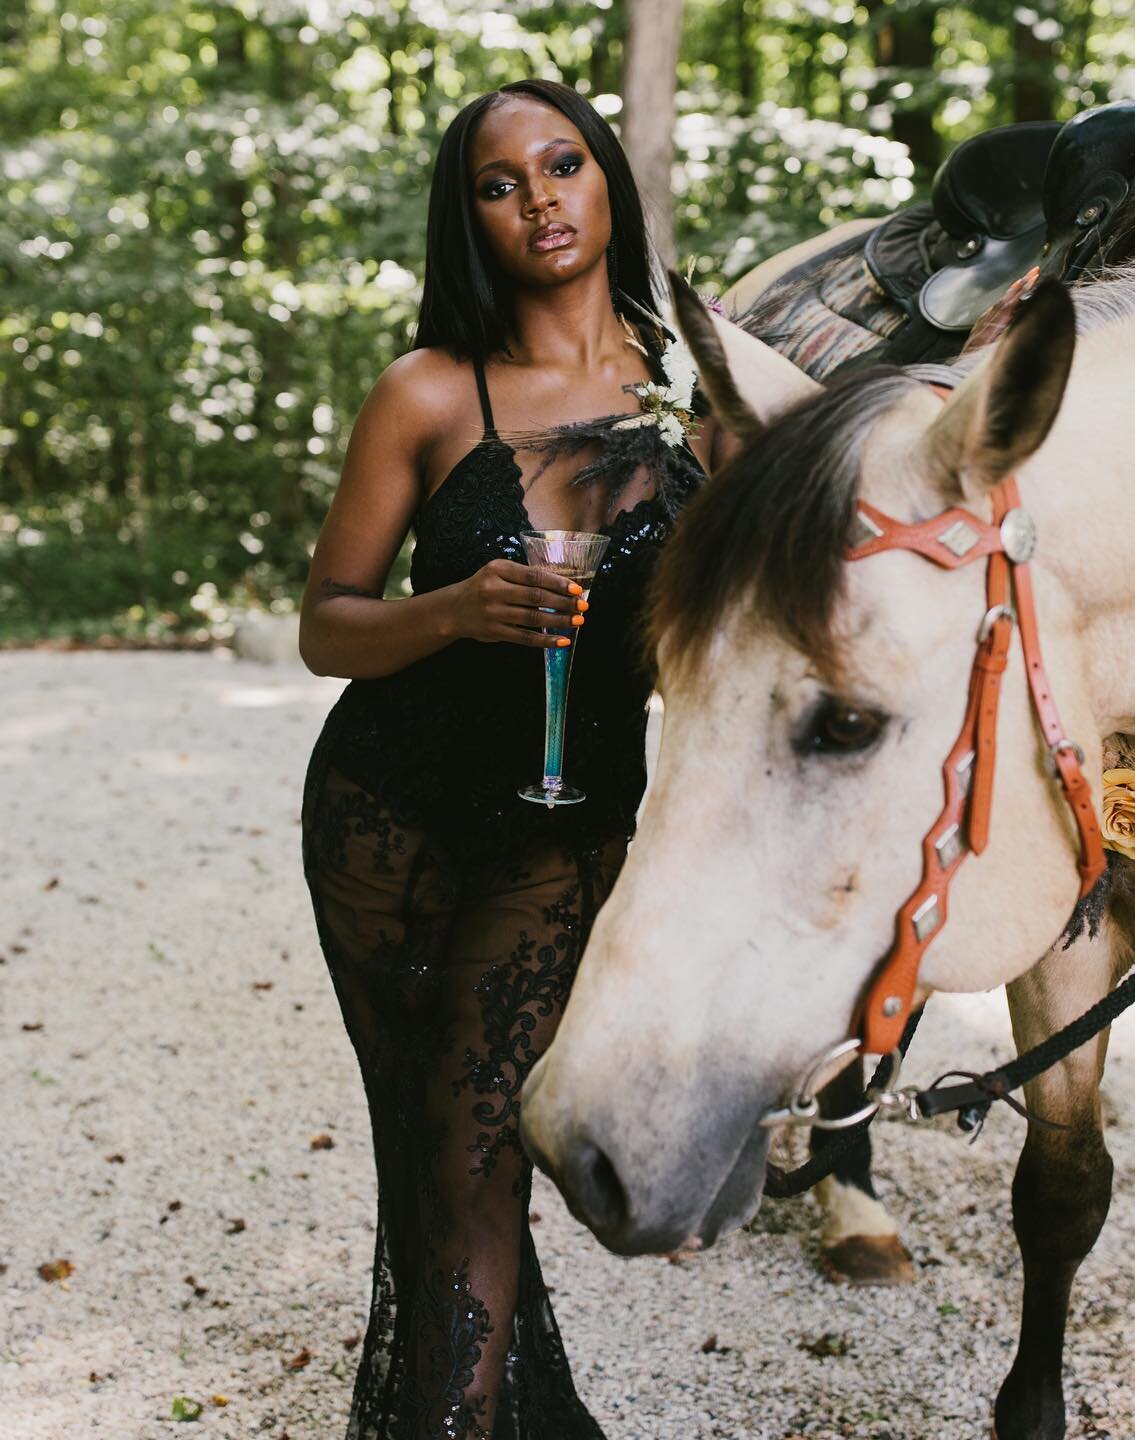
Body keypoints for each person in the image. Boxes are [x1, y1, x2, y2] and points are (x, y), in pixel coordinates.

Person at [297, 79, 733, 1439]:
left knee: (475, 1144)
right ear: (469, 217)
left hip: (569, 825)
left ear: (608, 183)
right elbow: (327, 627)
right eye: (501, 182)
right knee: (426, 1163)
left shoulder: (694, 397)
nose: (539, 198)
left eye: (563, 165)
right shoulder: (429, 391)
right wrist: (452, 612)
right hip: (385, 815)